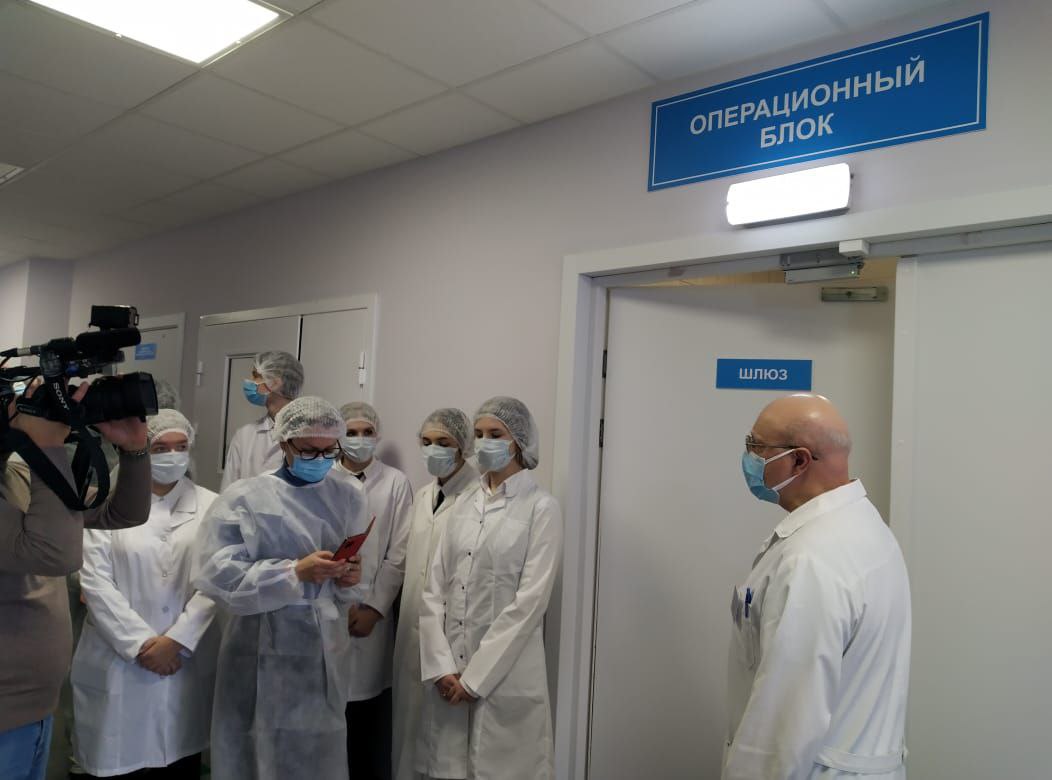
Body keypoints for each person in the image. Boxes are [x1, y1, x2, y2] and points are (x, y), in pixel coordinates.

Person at [724, 394, 911, 780]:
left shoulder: (812, 559)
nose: (749, 457)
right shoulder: (865, 527)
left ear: (799, 460)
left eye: (757, 446)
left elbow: (783, 726)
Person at [195, 396, 368, 780]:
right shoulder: (244, 497)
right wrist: (293, 573)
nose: (320, 459)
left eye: (329, 451)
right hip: (259, 644)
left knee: (319, 753)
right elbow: (217, 575)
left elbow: (348, 577)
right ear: (284, 442)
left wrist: (349, 578)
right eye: (308, 450)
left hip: (323, 648)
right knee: (256, 748)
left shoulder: (347, 494)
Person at [0, 380, 152, 780]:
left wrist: (134, 449)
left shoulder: (17, 474)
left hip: (35, 707)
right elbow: (56, 556)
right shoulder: (30, 469)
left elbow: (124, 513)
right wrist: (46, 446)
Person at [418, 396, 562, 780]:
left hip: (506, 678)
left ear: (518, 441)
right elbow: (434, 590)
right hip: (449, 675)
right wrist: (441, 666)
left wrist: (475, 678)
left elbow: (530, 603)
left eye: (495, 434)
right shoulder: (464, 503)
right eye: (479, 434)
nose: (484, 442)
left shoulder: (541, 508)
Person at [72, 409, 220, 778]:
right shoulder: (101, 504)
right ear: (138, 450)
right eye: (161, 448)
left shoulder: (214, 506)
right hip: (119, 658)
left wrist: (177, 640)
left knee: (180, 762)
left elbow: (216, 581)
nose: (173, 456)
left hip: (184, 658)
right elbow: (95, 581)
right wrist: (141, 644)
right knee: (119, 761)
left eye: (181, 447)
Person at [392, 409, 479, 780]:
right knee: (408, 737)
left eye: (444, 442)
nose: (433, 450)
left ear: (463, 446)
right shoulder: (424, 495)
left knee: (447, 750)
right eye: (426, 442)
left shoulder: (477, 498)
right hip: (412, 633)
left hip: (453, 641)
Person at [335, 401, 413, 780]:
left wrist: (374, 608)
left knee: (366, 726)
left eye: (367, 432)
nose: (360, 439)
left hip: (372, 619)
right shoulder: (323, 478)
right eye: (351, 432)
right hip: (328, 611)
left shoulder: (395, 483)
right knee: (329, 721)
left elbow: (399, 553)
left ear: (377, 435)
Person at [220, 350, 304, 489]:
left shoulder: (311, 434)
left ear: (275, 383)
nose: (249, 381)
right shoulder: (245, 435)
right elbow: (228, 492)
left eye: (256, 376)